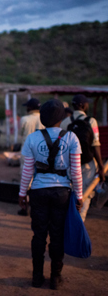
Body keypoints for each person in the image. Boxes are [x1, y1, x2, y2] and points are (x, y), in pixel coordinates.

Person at [19, 99, 83, 290]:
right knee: (57, 235)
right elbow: (76, 171)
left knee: (38, 235)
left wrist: (22, 193)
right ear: (62, 117)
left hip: (38, 191)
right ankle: (55, 277)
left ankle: (37, 277)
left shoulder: (32, 138)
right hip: (62, 192)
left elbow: (27, 170)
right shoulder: (71, 138)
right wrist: (79, 195)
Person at [60, 94, 105, 222]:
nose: (88, 105)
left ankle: (67, 222)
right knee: (84, 196)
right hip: (87, 165)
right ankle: (79, 222)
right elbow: (95, 144)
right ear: (82, 105)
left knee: (70, 194)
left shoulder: (64, 123)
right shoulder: (91, 121)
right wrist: (101, 167)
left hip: (69, 164)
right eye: (86, 103)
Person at [18, 98, 44, 216]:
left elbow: (21, 133)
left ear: (29, 108)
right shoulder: (44, 119)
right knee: (39, 178)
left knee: (26, 178)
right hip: (41, 152)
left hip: (27, 151)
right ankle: (38, 207)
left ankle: (25, 207)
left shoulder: (24, 119)